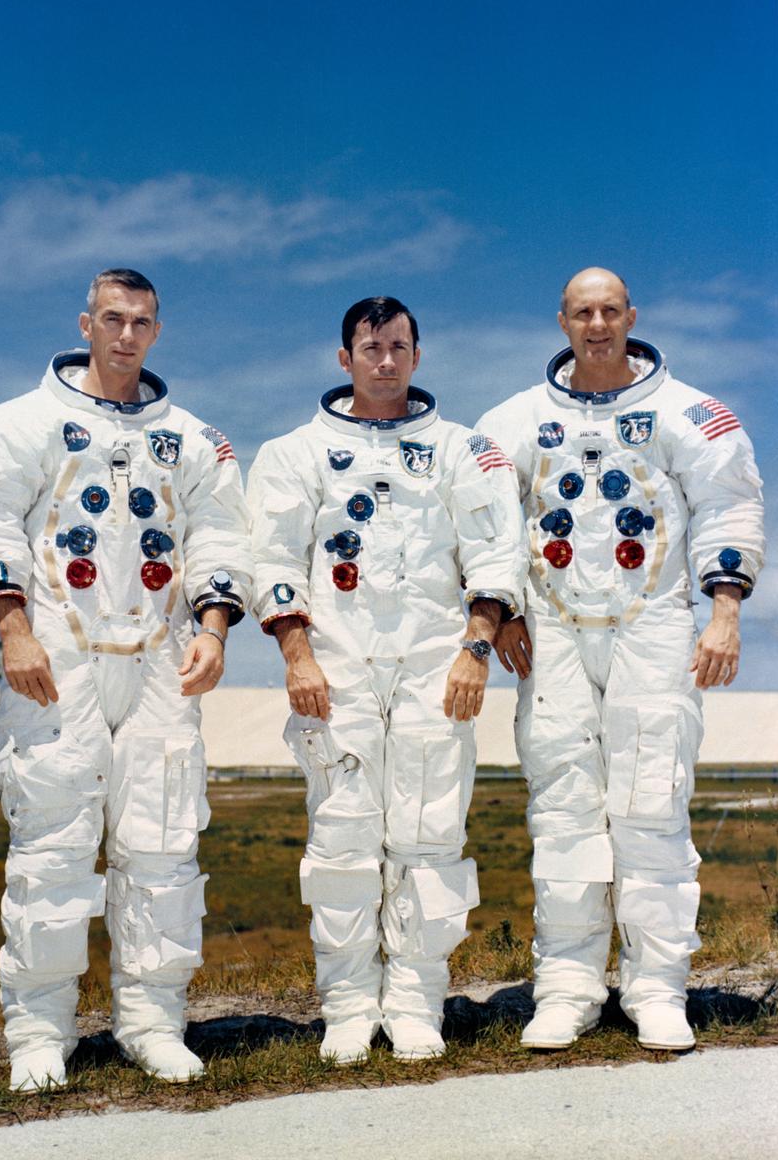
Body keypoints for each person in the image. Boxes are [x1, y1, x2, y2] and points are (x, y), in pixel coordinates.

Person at [0, 268, 253, 1090]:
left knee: (161, 843)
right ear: (85, 323)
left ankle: (152, 1021)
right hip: (57, 653)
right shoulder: (22, 424)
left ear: (157, 330)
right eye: (112, 319)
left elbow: (224, 537)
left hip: (160, 655)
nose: (126, 335)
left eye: (141, 322)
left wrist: (216, 630)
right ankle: (40, 1033)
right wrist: (13, 629)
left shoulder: (192, 438)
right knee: (52, 846)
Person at [477, 267, 765, 1052]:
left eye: (610, 311)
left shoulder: (690, 414)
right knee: (565, 806)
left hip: (654, 624)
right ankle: (567, 984)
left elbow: (730, 505)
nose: (597, 324)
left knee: (650, 804)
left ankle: (656, 986)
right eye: (582, 312)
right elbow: (482, 521)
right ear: (561, 321)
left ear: (631, 316)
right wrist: (498, 613)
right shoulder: (514, 421)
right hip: (555, 633)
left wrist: (726, 613)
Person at [247, 297, 527, 1064]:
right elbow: (272, 561)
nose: (385, 360)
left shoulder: (463, 450)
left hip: (436, 663)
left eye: (399, 346)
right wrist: (296, 656)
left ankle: (414, 1002)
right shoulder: (293, 453)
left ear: (417, 355)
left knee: (431, 833)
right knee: (342, 838)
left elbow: (496, 553)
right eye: (370, 347)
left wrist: (477, 646)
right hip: (336, 664)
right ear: (344, 358)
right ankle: (345, 1006)